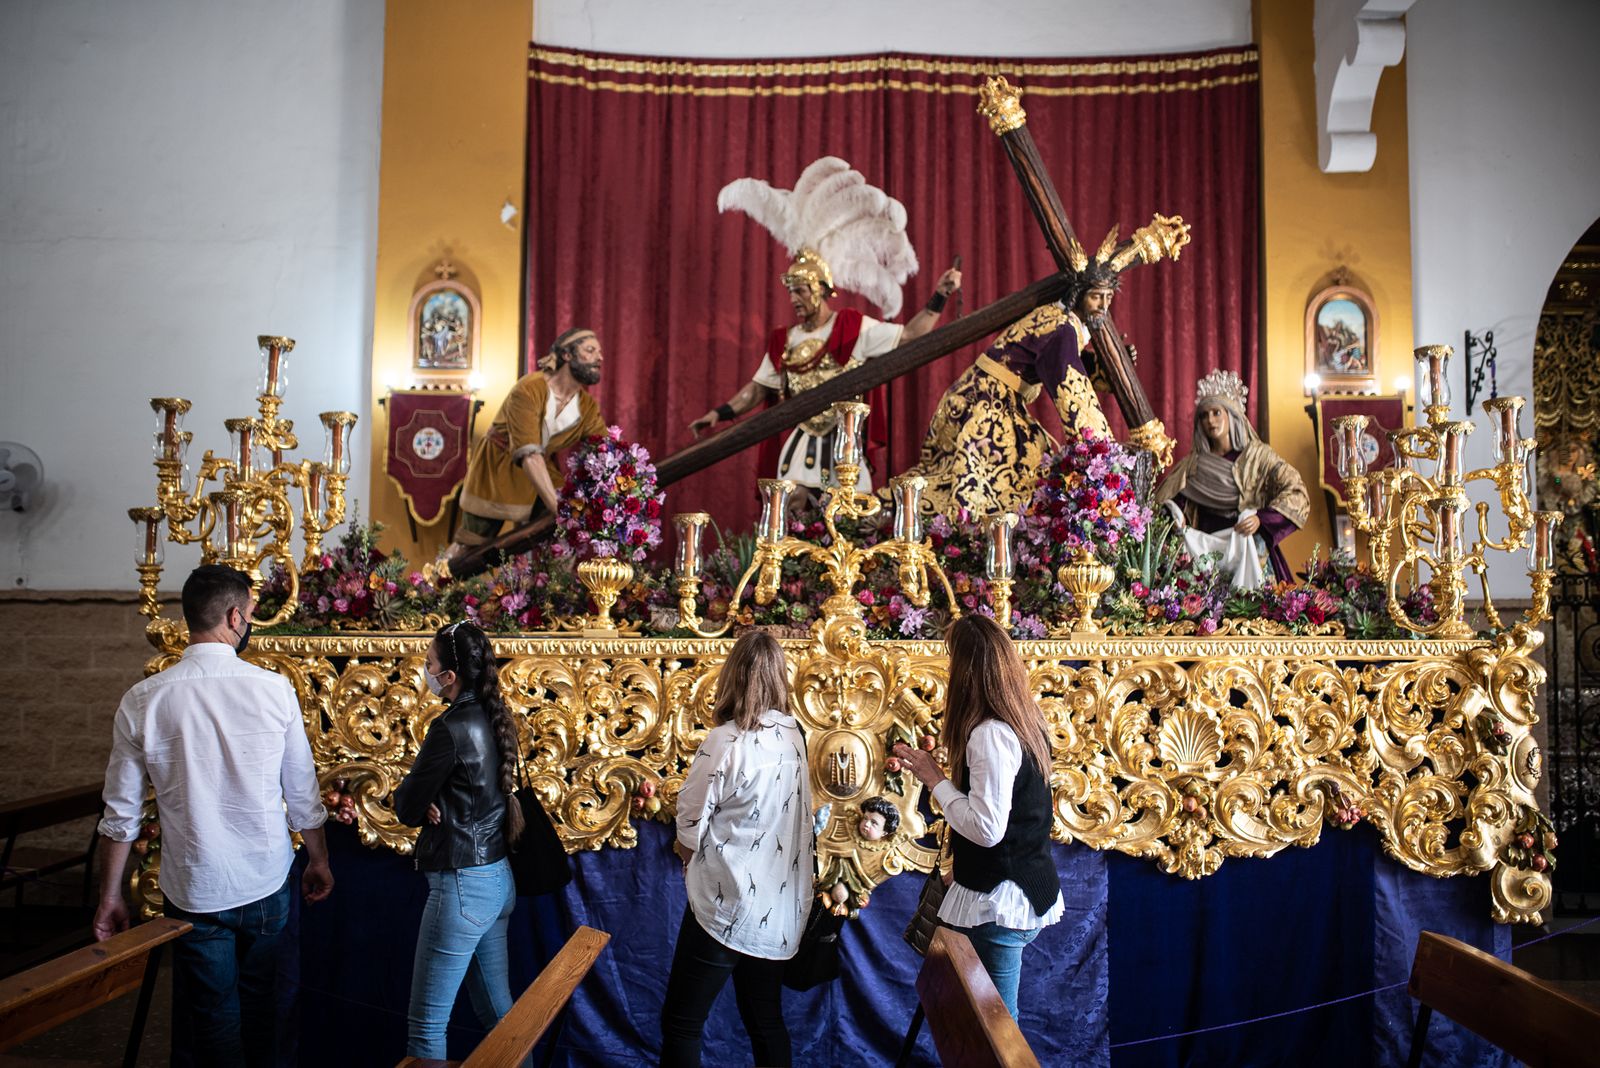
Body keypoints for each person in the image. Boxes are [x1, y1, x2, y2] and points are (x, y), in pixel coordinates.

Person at [93, 564, 334, 1067]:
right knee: (263, 1006)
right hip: (267, 879)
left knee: (213, 1016)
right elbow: (303, 793)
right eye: (250, 613)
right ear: (233, 615)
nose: (249, 621)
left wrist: (111, 895)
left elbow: (121, 814)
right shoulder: (273, 689)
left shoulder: (144, 699)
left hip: (196, 884)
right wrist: (319, 860)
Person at [694, 156, 960, 497]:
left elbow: (909, 335)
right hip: (801, 446)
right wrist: (719, 414)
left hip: (844, 450)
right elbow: (759, 389)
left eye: (801, 291)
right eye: (791, 292)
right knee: (788, 516)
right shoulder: (784, 341)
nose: (794, 300)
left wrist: (939, 296)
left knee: (849, 524)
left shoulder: (852, 327)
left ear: (820, 290)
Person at [893, 614, 1063, 1021]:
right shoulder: (1025, 720)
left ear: (968, 672)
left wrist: (935, 779)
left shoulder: (990, 734)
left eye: (952, 662)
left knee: (998, 1035)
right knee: (982, 1026)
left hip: (1002, 903)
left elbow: (988, 830)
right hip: (1007, 888)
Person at [660, 630, 813, 1067]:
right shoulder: (794, 736)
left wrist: (687, 850)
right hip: (777, 906)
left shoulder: (726, 740)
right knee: (765, 1022)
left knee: (682, 1024)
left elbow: (691, 817)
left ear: (733, 676)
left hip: (725, 904)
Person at [393, 620, 527, 1060]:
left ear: (449, 676)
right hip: (496, 879)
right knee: (503, 1021)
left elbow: (408, 807)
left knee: (426, 1030)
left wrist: (426, 799)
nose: (425, 671)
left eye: (429, 664)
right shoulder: (494, 714)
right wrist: (435, 799)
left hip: (461, 886)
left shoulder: (449, 726)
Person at [908, 268, 1115, 520]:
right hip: (986, 405)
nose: (1103, 305)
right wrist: (1102, 454)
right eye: (1096, 296)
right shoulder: (1062, 327)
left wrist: (1104, 370)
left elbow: (1068, 361)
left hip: (984, 397)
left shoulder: (1059, 319)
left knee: (1033, 461)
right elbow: (1072, 390)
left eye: (1109, 296)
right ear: (1079, 294)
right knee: (1004, 484)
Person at [445, 327, 608, 562]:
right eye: (590, 350)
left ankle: (552, 595)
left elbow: (605, 448)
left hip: (543, 470)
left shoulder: (587, 406)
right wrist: (560, 509)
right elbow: (529, 453)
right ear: (567, 355)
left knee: (561, 541)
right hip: (499, 468)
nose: (599, 357)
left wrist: (627, 476)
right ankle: (431, 587)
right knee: (470, 545)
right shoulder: (530, 389)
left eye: (599, 352)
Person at [1153, 369, 1310, 587]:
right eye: (1204, 415)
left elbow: (1295, 491)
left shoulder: (1258, 456)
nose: (1211, 420)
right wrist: (1175, 515)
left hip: (1250, 544)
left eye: (1217, 412)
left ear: (1231, 415)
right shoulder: (1193, 465)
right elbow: (1168, 501)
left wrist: (1261, 519)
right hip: (1206, 552)